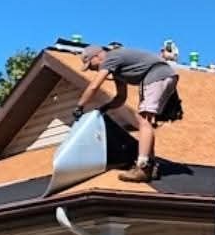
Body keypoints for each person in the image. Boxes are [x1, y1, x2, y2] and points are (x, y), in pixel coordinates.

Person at [73, 45, 180, 182]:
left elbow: (94, 86)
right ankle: (150, 165)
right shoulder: (117, 68)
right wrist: (104, 108)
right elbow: (121, 98)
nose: (92, 69)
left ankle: (143, 167)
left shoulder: (111, 57)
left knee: (143, 119)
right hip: (165, 75)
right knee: (145, 119)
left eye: (91, 65)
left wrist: (79, 107)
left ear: (98, 56)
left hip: (157, 75)